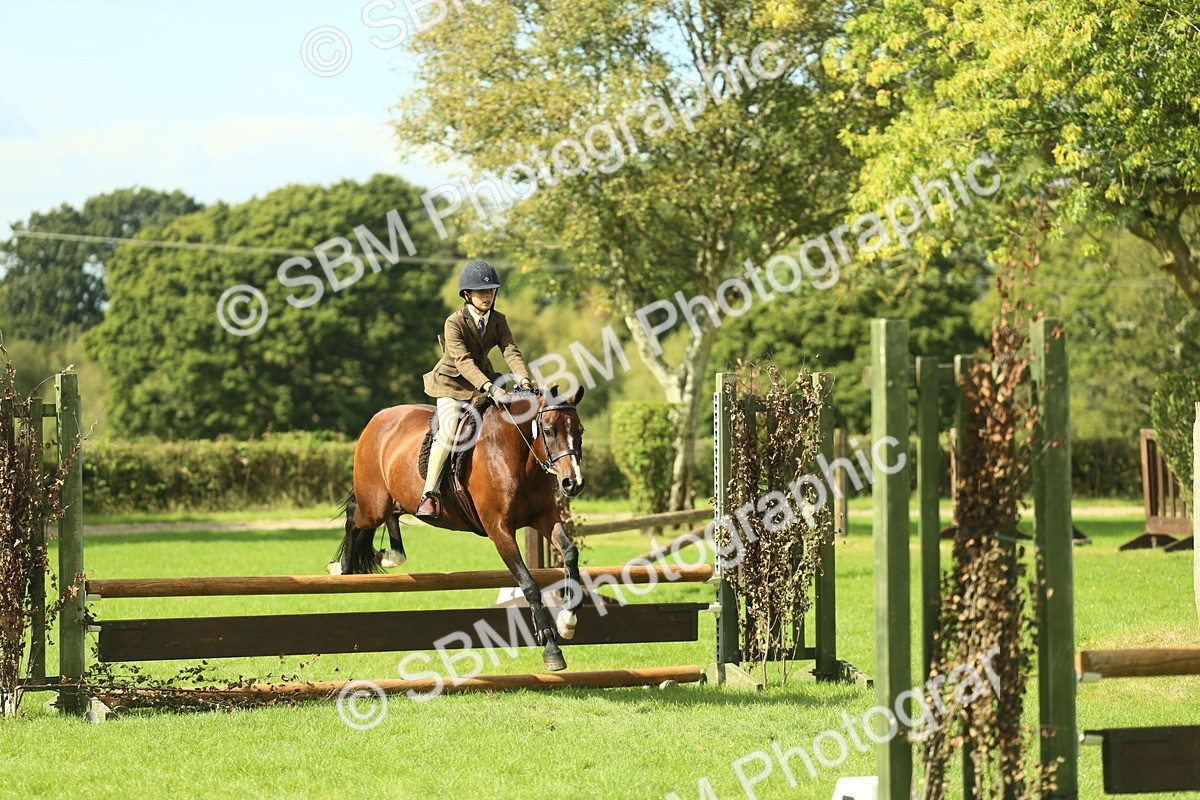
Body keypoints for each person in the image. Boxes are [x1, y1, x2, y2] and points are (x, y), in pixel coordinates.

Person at [417, 260, 534, 519]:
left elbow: (510, 350)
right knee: (448, 431)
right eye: (482, 292)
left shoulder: (499, 320)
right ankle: (429, 494)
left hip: (484, 381)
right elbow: (463, 362)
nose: (487, 296)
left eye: (491, 291)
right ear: (467, 295)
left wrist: (524, 379)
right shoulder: (454, 323)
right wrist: (491, 388)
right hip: (451, 384)